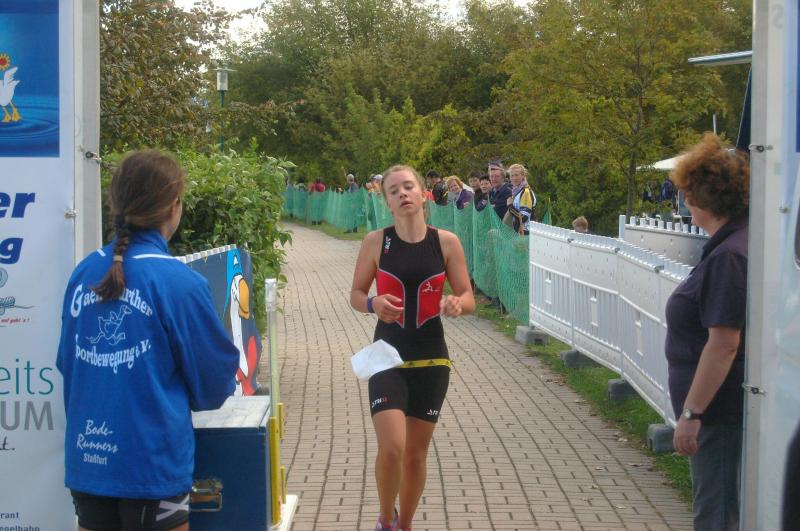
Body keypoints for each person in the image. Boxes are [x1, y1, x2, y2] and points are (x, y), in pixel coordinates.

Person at [56, 150, 239, 531]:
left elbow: (67, 365)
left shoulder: (83, 273)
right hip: (152, 464)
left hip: (88, 462)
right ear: (174, 205)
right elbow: (215, 383)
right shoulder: (179, 282)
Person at [350, 165, 475, 531]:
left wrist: (457, 303)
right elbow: (356, 294)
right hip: (386, 357)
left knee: (415, 455)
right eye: (394, 191)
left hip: (431, 360)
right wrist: (373, 304)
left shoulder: (446, 242)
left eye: (408, 187)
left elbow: (468, 297)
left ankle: (404, 524)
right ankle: (385, 518)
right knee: (392, 448)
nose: (402, 194)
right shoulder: (376, 242)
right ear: (387, 202)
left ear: (423, 194)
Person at [664, 133, 749, 531]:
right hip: (719, 409)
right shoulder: (732, 246)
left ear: (702, 197)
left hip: (717, 412)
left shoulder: (728, 256)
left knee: (715, 514)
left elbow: (724, 342)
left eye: (687, 191)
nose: (684, 200)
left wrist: (692, 413)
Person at [505, 164, 536, 235]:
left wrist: (510, 206)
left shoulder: (526, 192)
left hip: (526, 233)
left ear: (523, 176)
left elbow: (523, 217)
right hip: (518, 232)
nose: (514, 178)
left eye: (516, 175)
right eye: (512, 176)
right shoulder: (517, 191)